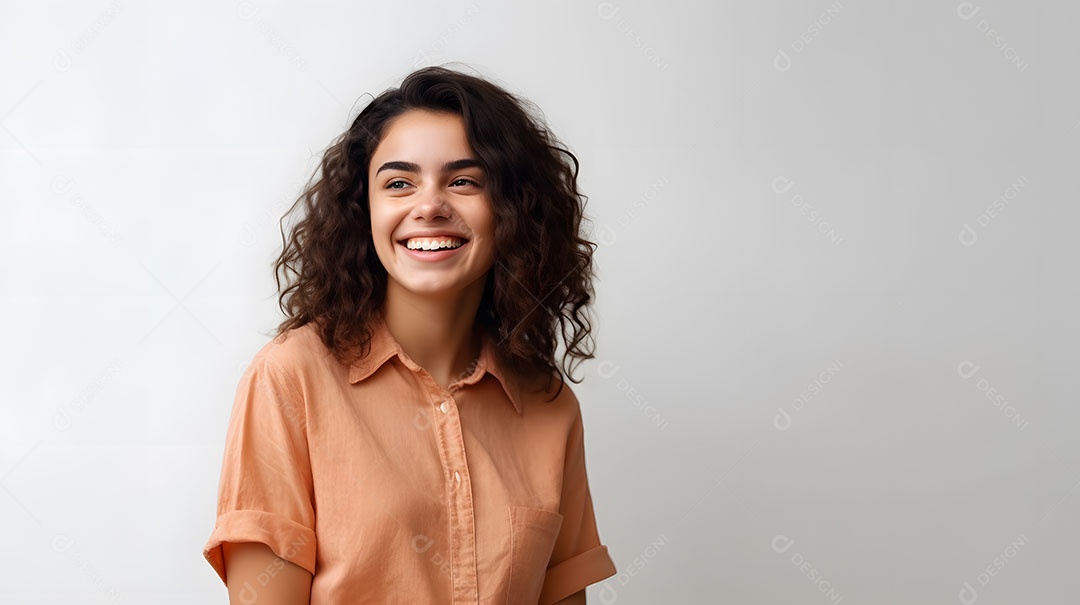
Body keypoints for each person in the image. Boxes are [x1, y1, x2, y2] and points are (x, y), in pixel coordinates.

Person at [202, 64, 616, 604]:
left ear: (514, 210)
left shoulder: (549, 406)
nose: (429, 206)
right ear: (363, 209)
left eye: (464, 181)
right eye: (399, 183)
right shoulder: (290, 378)